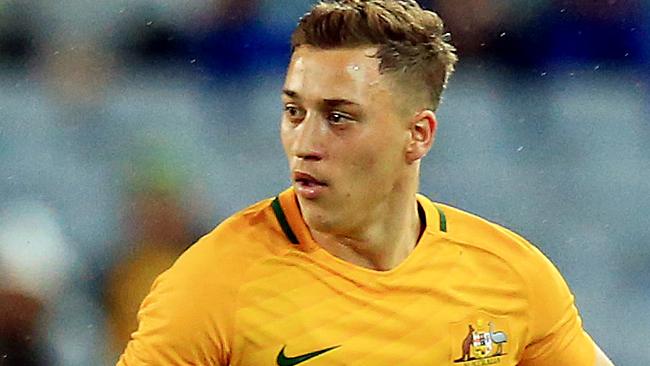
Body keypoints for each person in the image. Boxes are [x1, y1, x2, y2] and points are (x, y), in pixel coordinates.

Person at [117, 1, 614, 365]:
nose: (304, 142)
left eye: (339, 117)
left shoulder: (512, 276)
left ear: (417, 135)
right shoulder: (211, 285)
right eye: (294, 111)